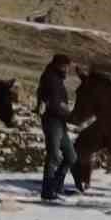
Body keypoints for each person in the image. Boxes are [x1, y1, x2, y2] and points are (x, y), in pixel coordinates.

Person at [35, 54, 78, 201]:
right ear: (59, 65)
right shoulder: (49, 79)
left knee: (71, 156)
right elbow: (52, 102)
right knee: (53, 155)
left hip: (60, 122)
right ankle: (47, 191)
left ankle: (57, 186)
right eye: (66, 66)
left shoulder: (57, 79)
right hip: (52, 122)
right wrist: (68, 113)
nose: (67, 70)